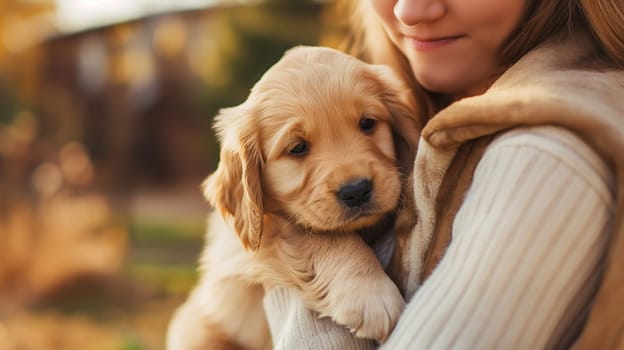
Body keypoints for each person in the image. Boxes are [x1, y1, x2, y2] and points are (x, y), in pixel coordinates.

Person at [260, 0, 624, 349]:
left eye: (367, 123)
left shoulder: (542, 159)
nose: (410, 10)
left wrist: (289, 250)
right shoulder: (431, 121)